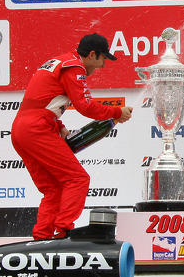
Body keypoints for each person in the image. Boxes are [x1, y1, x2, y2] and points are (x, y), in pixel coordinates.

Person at [12, 33, 133, 240]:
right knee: (77, 179)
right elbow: (85, 106)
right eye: (103, 59)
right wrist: (116, 112)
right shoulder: (74, 66)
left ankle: (42, 238)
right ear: (92, 54)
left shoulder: (59, 61)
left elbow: (39, 101)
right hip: (37, 129)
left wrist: (59, 125)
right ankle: (64, 232)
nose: (102, 66)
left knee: (53, 189)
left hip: (22, 129)